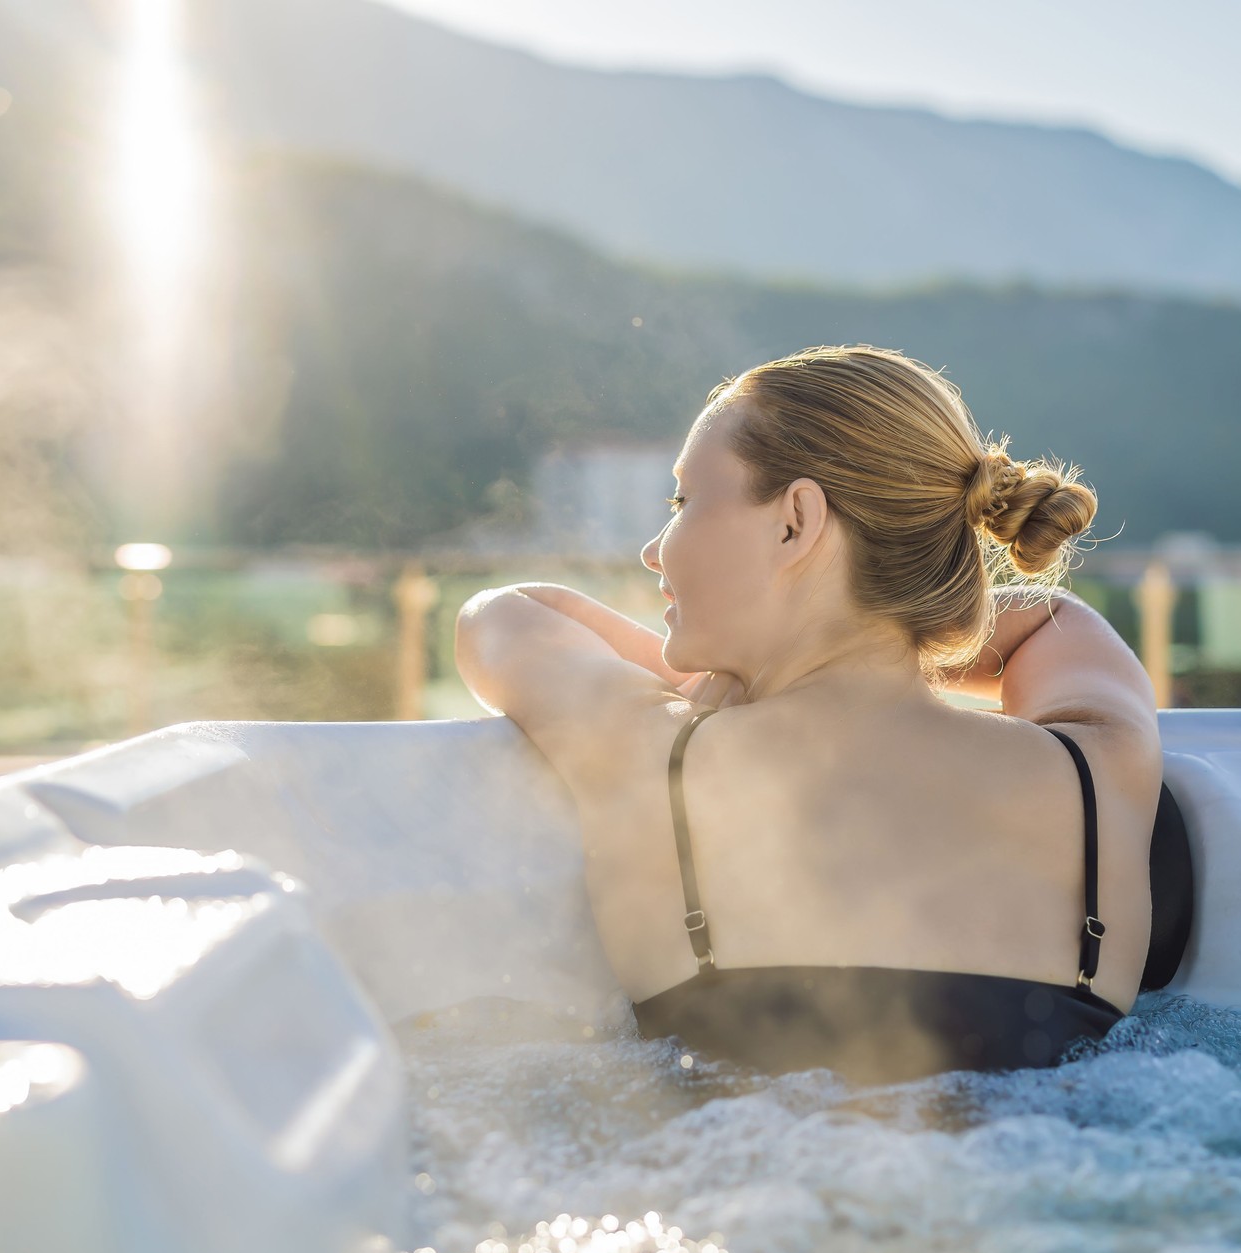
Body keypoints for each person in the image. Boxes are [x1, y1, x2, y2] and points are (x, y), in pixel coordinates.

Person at [455, 344, 1189, 1084]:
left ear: (794, 522)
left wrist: (717, 679)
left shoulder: (660, 759)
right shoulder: (1098, 766)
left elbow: (507, 616)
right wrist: (872, 630)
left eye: (682, 503)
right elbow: (1053, 616)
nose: (654, 551)